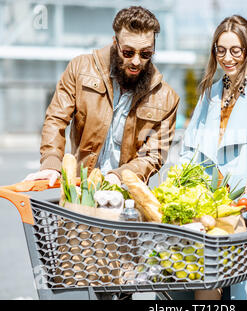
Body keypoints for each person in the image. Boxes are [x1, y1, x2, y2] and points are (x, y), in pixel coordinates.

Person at [178, 15, 247, 300]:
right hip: (212, 202)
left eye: (235, 51)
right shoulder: (210, 94)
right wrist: (180, 183)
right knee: (207, 275)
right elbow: (190, 146)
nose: (227, 58)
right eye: (220, 50)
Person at [24, 6, 179, 187]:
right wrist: (51, 164)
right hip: (78, 188)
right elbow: (56, 119)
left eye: (145, 54)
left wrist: (116, 177)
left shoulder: (166, 97)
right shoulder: (80, 68)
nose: (136, 61)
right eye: (128, 52)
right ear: (115, 43)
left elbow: (154, 155)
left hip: (126, 196)